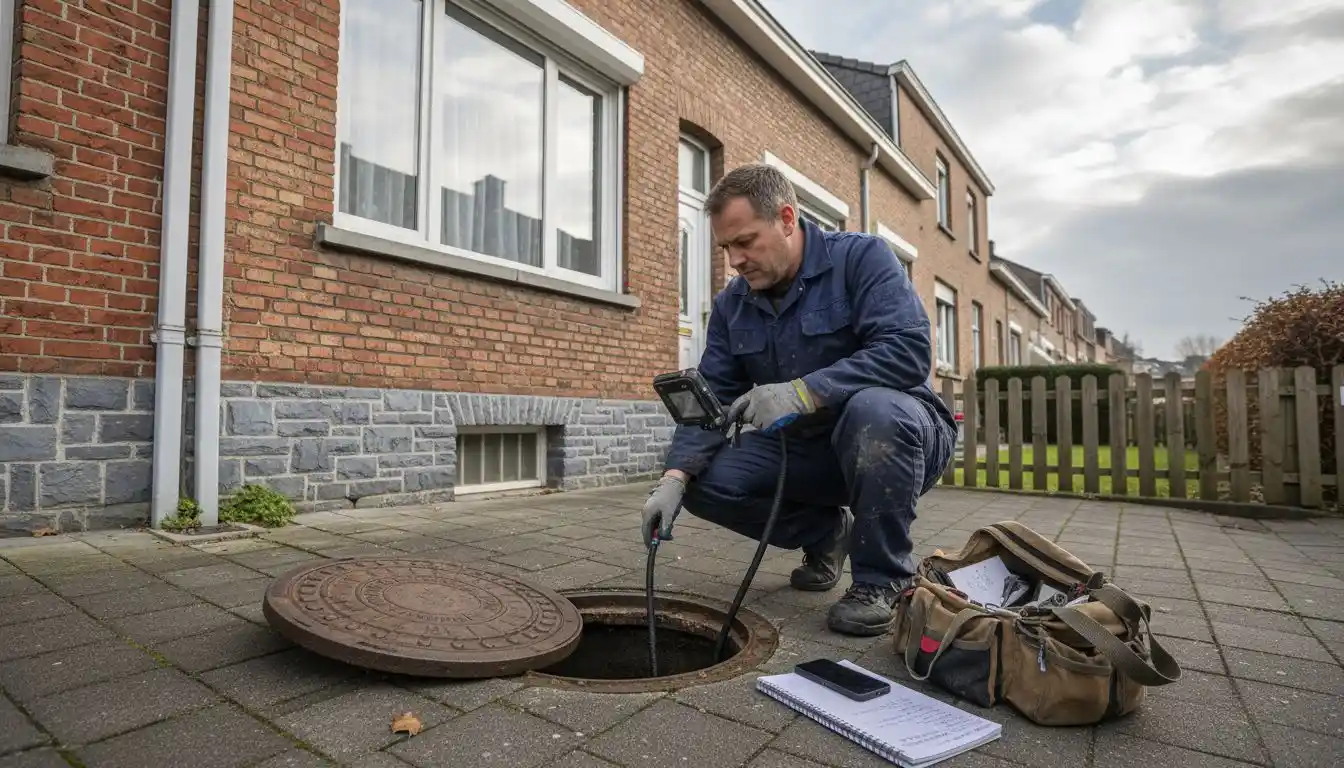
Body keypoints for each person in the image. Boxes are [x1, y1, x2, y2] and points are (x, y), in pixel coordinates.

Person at [640, 162, 958, 637]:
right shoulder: (732, 305)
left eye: (745, 242)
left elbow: (906, 352)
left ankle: (882, 579)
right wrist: (673, 477)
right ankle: (827, 534)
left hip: (897, 438)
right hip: (808, 451)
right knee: (704, 481)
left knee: (872, 412)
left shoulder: (862, 260)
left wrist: (803, 392)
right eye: (726, 247)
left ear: (787, 220)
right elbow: (712, 398)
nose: (735, 260)